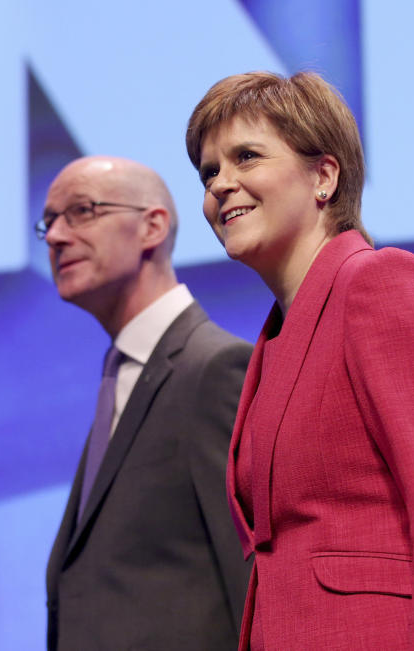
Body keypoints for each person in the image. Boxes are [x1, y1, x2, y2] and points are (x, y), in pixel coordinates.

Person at [186, 72, 414, 650]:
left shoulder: (381, 284)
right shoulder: (276, 337)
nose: (220, 185)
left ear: (323, 177)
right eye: (209, 171)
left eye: (246, 157)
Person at [38, 156, 253, 650]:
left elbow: (252, 585)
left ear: (152, 226)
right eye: (48, 223)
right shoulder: (124, 371)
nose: (55, 237)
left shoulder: (213, 369)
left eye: (81, 212)